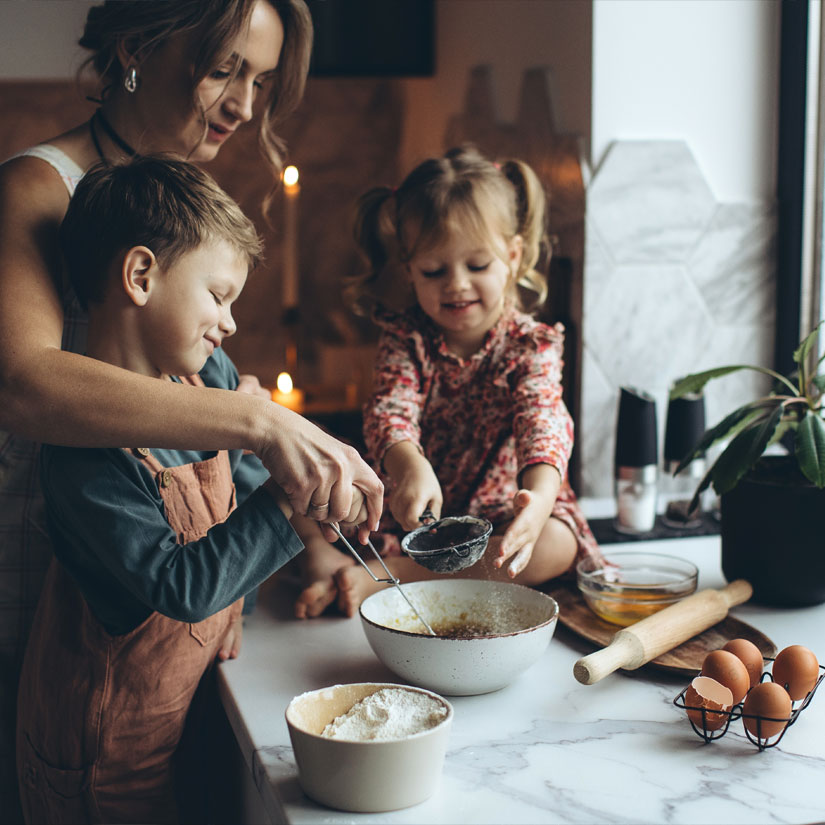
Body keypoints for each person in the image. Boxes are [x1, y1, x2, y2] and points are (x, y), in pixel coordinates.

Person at [0, 2, 382, 821]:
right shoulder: (38, 186)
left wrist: (314, 541)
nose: (245, 106)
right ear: (136, 49)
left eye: (262, 80)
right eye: (224, 70)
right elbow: (26, 384)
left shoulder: (171, 198)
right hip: (40, 603)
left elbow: (209, 389)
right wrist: (264, 423)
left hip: (161, 644)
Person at [296, 145, 603, 617]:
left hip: (496, 515)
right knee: (306, 480)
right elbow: (391, 410)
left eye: (477, 266)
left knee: (555, 545)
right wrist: (408, 467)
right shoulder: (405, 337)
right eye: (435, 271)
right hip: (414, 508)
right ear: (409, 272)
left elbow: (543, 419)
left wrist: (539, 500)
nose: (456, 284)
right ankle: (324, 560)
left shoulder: (531, 344)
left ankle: (377, 578)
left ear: (513, 256)